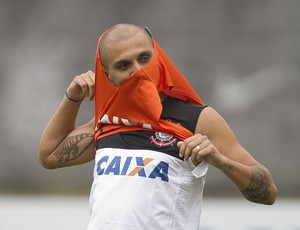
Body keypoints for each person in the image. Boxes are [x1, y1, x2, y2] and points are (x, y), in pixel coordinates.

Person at [39, 23, 277, 230]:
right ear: (108, 76)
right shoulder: (108, 121)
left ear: (158, 56)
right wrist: (73, 97)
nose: (138, 70)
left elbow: (268, 192)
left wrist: (221, 161)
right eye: (124, 65)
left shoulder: (198, 119)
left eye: (144, 58)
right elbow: (49, 155)